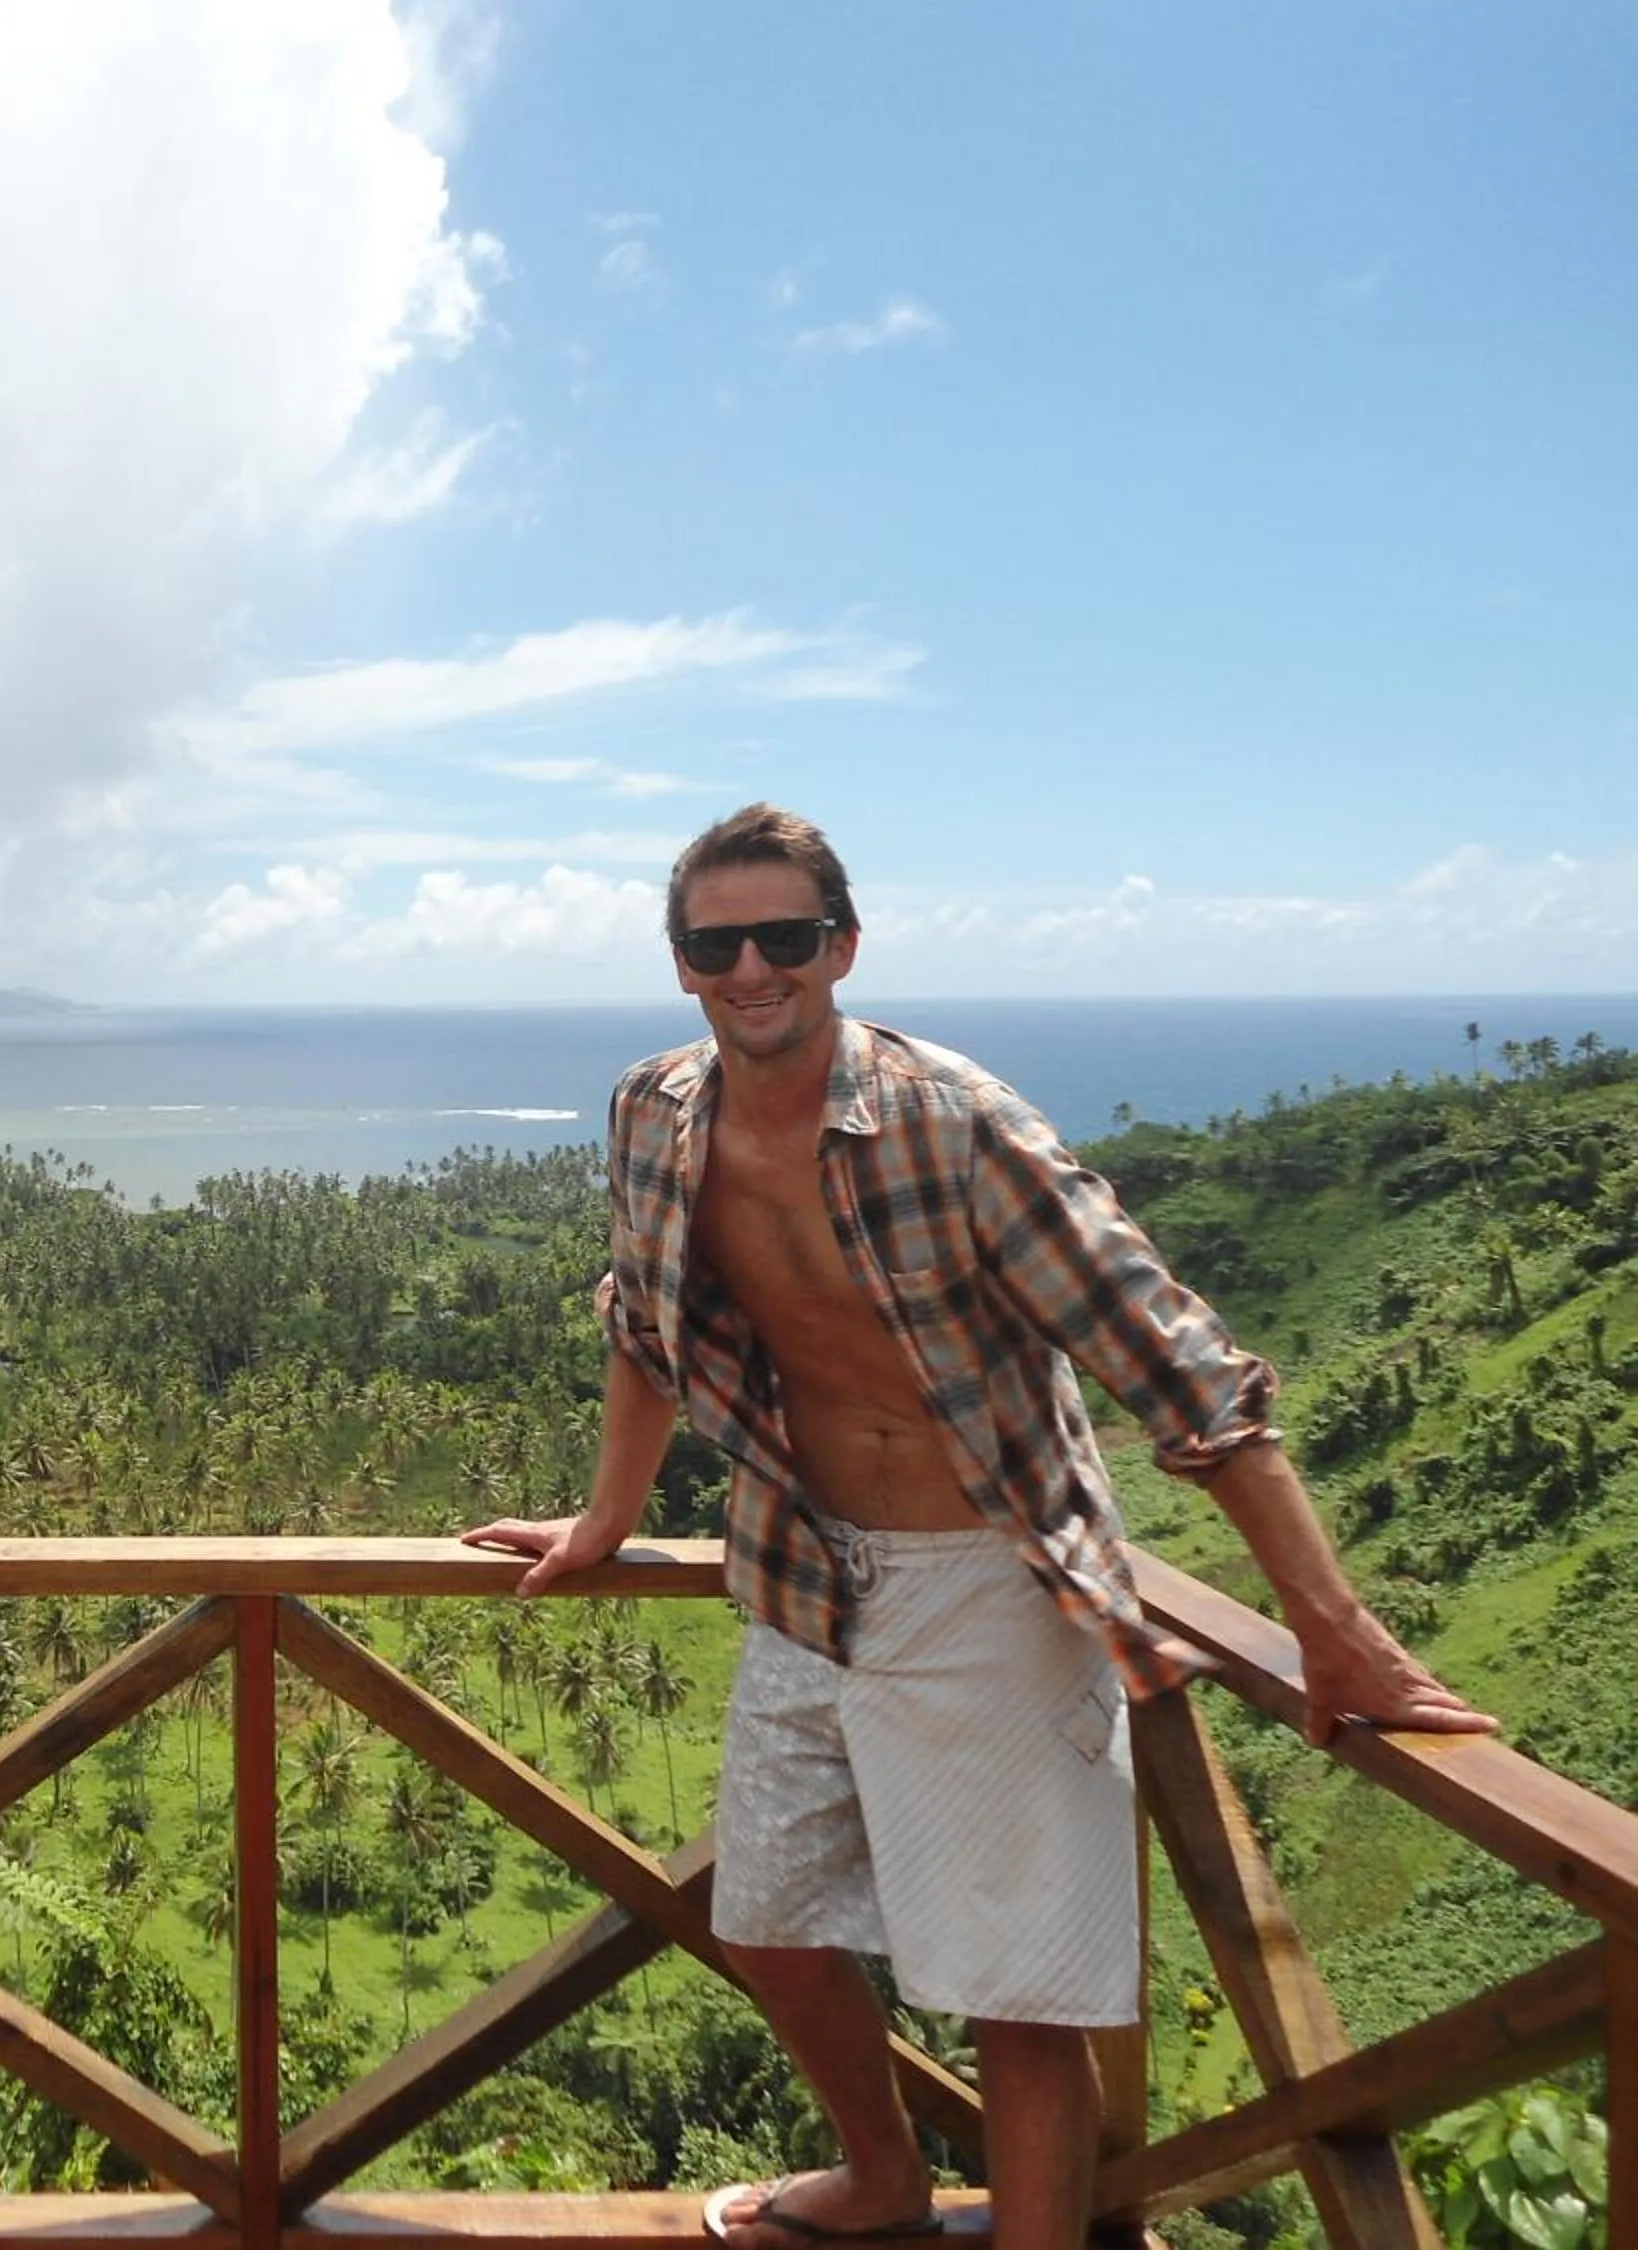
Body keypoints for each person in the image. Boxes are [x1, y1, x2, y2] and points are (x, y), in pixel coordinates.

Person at [461, 804, 1492, 2250]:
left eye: (786, 937)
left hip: (990, 1577)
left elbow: (1184, 1373)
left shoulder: (956, 1123)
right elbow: (646, 1323)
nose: (753, 968)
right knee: (763, 1918)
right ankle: (882, 2178)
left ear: (845, 944)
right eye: (716, 943)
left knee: (1020, 1998)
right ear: (681, 963)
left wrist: (1340, 1631)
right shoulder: (654, 1111)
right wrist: (605, 1514)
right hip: (804, 1566)